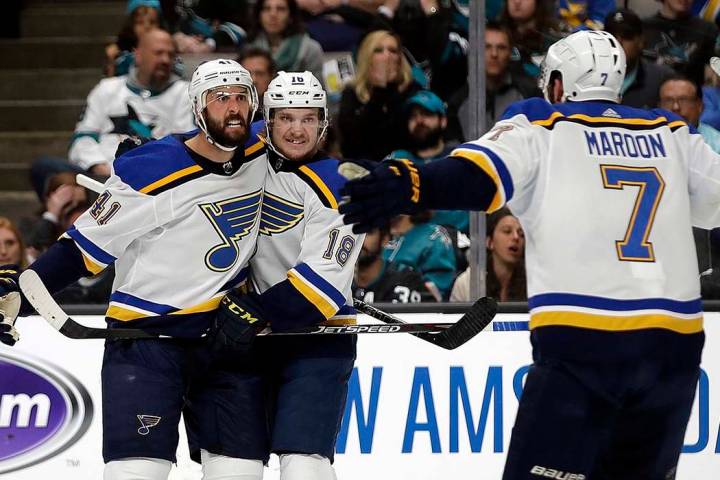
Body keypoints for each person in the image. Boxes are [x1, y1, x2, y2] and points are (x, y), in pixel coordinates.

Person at [340, 30, 720, 478]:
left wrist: (410, 183)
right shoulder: (673, 133)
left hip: (585, 340)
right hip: (672, 348)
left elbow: (477, 178)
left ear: (558, 84)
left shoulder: (544, 123)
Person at [0, 59, 270, 480]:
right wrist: (23, 287)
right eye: (220, 98)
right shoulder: (150, 172)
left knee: (242, 474)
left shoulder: (263, 149)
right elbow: (84, 249)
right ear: (198, 108)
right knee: (137, 474)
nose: (233, 107)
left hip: (223, 341)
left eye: (241, 97)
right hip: (147, 342)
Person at [208, 71, 363, 480]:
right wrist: (145, 159)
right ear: (268, 122)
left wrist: (248, 312)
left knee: (302, 464)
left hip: (315, 339)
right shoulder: (244, 155)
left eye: (309, 119)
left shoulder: (340, 184)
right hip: (250, 338)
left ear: (323, 124)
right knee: (232, 468)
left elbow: (317, 293)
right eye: (287, 118)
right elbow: (201, 140)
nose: (297, 129)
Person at [69, 28, 195, 177]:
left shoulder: (186, 93)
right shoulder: (106, 89)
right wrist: (100, 167)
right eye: (158, 53)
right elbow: (83, 138)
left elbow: (187, 146)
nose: (165, 60)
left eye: (170, 54)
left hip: (159, 179)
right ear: (138, 55)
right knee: (47, 167)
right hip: (104, 175)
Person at [338, 29, 420, 161]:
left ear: (400, 58)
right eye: (379, 50)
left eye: (393, 51)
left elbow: (409, 138)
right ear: (367, 57)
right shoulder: (352, 92)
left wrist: (391, 89)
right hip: (362, 170)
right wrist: (379, 90)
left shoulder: (414, 90)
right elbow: (352, 142)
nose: (387, 56)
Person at [450, 207, 526, 302]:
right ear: (489, 242)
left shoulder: (533, 281)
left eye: (521, 234)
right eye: (507, 231)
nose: (516, 237)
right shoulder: (467, 283)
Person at [603, 9, 674, 109]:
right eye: (611, 36)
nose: (617, 42)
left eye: (627, 36)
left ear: (641, 41)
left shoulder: (662, 79)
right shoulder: (587, 76)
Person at [643, 0, 718, 86]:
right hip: (648, 95)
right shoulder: (644, 27)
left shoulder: (707, 30)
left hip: (688, 95)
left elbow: (712, 78)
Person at [246, 0, 325, 83]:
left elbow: (318, 92)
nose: (273, 14)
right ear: (259, 15)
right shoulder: (248, 47)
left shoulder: (310, 49)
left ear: (291, 16)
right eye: (266, 9)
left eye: (280, 9)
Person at [354, 224, 434, 303]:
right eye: (353, 233)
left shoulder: (405, 279)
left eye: (367, 233)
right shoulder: (342, 279)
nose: (359, 240)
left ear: (385, 239)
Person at [659, 74, 720, 153]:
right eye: (668, 100)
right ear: (659, 106)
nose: (676, 107)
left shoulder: (716, 145)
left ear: (700, 106)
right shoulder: (646, 143)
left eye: (683, 100)